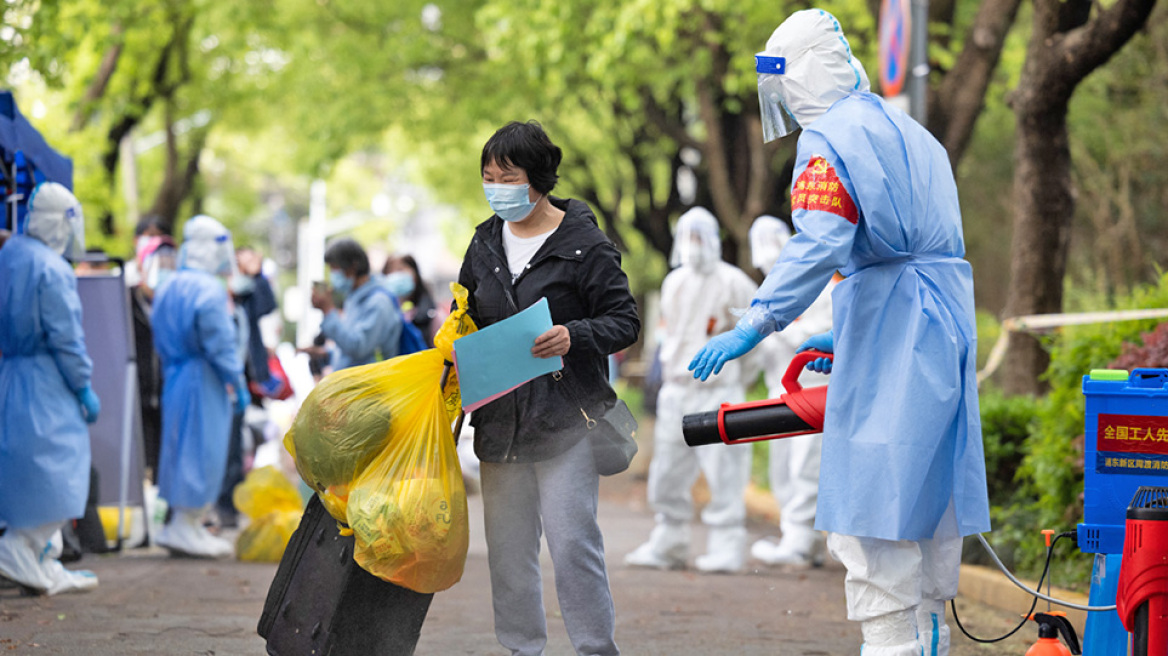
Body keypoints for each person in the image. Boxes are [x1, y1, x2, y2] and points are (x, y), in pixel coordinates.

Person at [688, 10, 990, 656]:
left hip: (893, 320)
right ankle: (928, 641)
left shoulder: (830, 137)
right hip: (937, 323)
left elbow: (821, 240)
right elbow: (925, 245)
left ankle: (890, 647)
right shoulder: (914, 135)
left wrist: (756, 320)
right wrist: (857, 334)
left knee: (874, 503)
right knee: (927, 494)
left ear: (801, 78)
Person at [458, 120, 639, 656]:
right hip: (499, 421)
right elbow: (463, 308)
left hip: (565, 422)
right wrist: (453, 338)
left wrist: (574, 334)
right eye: (488, 176)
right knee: (509, 554)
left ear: (537, 178)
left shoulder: (584, 243)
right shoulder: (485, 240)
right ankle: (521, 650)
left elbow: (624, 321)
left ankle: (594, 649)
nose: (496, 187)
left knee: (572, 544)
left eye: (507, 176)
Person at [624, 207, 758, 574]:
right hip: (677, 389)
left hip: (719, 391)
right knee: (667, 468)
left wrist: (735, 379)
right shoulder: (674, 282)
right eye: (687, 236)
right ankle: (670, 539)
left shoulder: (734, 282)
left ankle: (727, 544)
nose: (692, 245)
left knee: (724, 469)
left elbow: (758, 338)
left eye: (699, 236)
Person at [0, 182, 100, 594]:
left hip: (13, 376)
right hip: (47, 381)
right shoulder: (51, 268)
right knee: (58, 469)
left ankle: (43, 561)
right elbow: (66, 339)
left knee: (24, 470)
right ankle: (20, 550)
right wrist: (83, 387)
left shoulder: (10, 255)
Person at [152, 215, 248, 558]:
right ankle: (186, 524)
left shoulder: (169, 285)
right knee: (201, 449)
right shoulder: (208, 290)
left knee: (179, 447)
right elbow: (220, 343)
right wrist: (236, 381)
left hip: (175, 376)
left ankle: (184, 522)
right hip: (203, 379)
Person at [746, 215, 835, 569]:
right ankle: (798, 537)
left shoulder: (823, 285)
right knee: (783, 467)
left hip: (813, 390)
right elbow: (766, 349)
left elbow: (814, 338)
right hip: (779, 390)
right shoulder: (769, 289)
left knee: (806, 467)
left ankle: (801, 540)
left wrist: (776, 326)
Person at [129, 216, 178, 478]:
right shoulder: (126, 300)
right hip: (134, 392)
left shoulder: (177, 304)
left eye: (170, 262)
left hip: (169, 392)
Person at [309, 238, 403, 371]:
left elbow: (358, 347)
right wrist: (325, 354)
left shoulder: (378, 303)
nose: (332, 274)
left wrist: (328, 310)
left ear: (353, 266)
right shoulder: (353, 298)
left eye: (335, 268)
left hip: (371, 387)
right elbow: (353, 353)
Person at [384, 253, 438, 347]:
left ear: (415, 274)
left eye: (400, 270)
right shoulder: (382, 309)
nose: (396, 276)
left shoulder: (431, 314)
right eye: (390, 272)